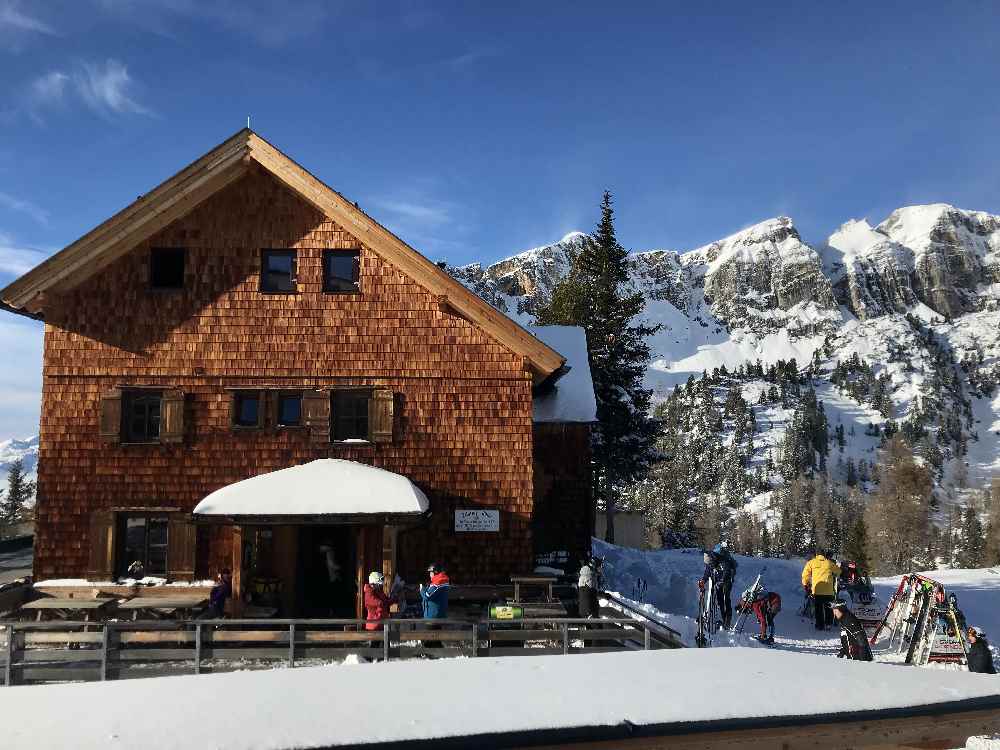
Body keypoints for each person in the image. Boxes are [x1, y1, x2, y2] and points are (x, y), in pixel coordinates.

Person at [699, 543, 738, 630]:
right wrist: (703, 580)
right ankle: (723, 619)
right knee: (720, 601)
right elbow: (707, 573)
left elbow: (727, 572)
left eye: (710, 564)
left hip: (727, 581)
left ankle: (727, 621)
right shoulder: (710, 562)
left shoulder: (723, 560)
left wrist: (721, 581)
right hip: (717, 581)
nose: (709, 565)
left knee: (725, 599)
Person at [802, 549, 841, 631]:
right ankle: (828, 625)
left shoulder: (811, 562)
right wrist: (833, 573)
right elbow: (838, 571)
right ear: (824, 554)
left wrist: (806, 585)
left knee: (818, 608)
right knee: (829, 608)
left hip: (817, 591)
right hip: (828, 591)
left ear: (816, 554)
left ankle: (819, 625)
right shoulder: (829, 563)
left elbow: (805, 575)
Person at [419, 562, 451, 649]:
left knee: (429, 641)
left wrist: (422, 589)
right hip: (436, 615)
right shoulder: (439, 581)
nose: (430, 574)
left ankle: (428, 656)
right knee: (435, 640)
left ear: (435, 572)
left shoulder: (438, 581)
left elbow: (427, 596)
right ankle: (436, 656)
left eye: (431, 572)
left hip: (433, 616)